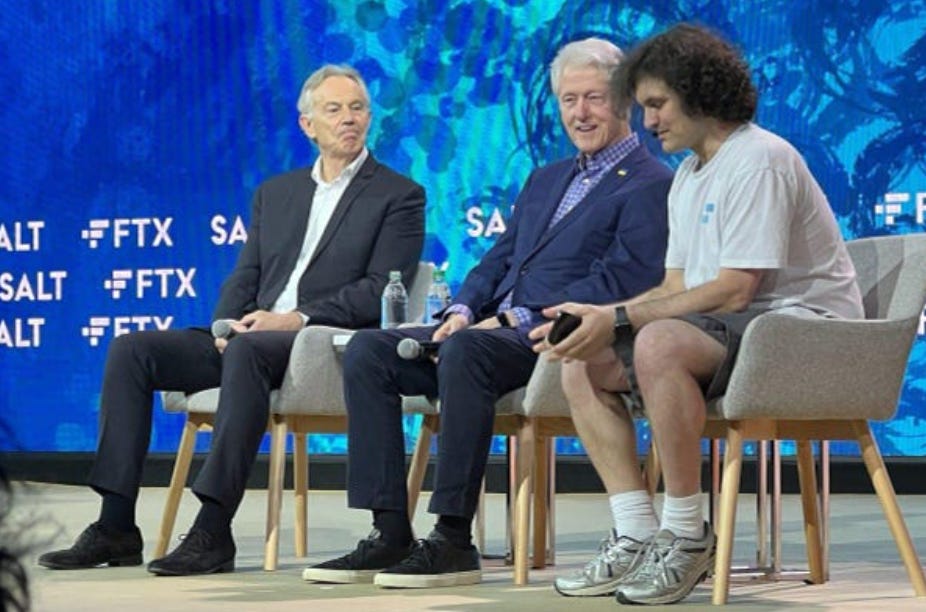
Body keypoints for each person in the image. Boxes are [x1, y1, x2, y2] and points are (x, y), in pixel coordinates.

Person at [302, 37, 673, 589]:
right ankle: (388, 532)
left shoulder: (652, 183)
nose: (580, 112)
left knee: (469, 350)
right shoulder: (547, 178)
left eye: (593, 98)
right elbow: (498, 259)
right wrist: (462, 307)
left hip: (555, 337)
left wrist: (512, 319)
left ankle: (452, 536)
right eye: (569, 100)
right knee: (370, 351)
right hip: (484, 333)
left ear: (623, 101)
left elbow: (622, 279)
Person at [38, 64, 425, 576]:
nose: (348, 120)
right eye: (334, 110)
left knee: (249, 349)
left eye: (357, 109)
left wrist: (295, 318)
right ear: (308, 124)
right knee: (132, 350)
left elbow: (378, 289)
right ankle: (115, 525)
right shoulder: (277, 192)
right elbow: (246, 276)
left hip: (321, 341)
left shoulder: (398, 194)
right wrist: (225, 327)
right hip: (252, 336)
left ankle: (213, 530)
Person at [530, 23, 864, 605]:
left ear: (699, 92)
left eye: (657, 105)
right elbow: (676, 286)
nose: (649, 121)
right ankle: (636, 531)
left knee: (658, 342)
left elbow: (736, 290)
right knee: (584, 359)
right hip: (746, 331)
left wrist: (625, 317)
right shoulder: (688, 175)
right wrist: (600, 317)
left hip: (807, 334)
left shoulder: (759, 159)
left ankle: (686, 535)